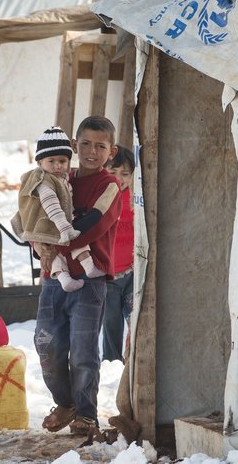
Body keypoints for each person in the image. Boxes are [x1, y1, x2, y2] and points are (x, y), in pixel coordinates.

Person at [33, 116, 121, 436]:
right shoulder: (56, 176)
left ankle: (86, 413)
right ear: (74, 145)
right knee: (47, 344)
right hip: (53, 277)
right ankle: (65, 402)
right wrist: (38, 244)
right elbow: (33, 216)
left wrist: (56, 238)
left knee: (84, 351)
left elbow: (94, 224)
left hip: (89, 281)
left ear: (111, 152)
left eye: (100, 146)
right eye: (85, 144)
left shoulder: (108, 186)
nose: (91, 151)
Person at [11, 126, 106, 293]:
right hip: (47, 224)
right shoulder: (44, 182)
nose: (57, 166)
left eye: (62, 161)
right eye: (51, 161)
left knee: (67, 244)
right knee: (62, 246)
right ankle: (73, 273)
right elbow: (52, 206)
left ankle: (79, 272)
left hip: (54, 223)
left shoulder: (62, 179)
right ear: (40, 162)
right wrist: (65, 227)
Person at [102, 146, 136, 362]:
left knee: (136, 322)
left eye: (125, 174)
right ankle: (112, 364)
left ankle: (133, 362)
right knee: (111, 324)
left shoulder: (136, 198)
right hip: (108, 275)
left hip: (133, 272)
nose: (119, 179)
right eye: (113, 172)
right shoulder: (100, 198)